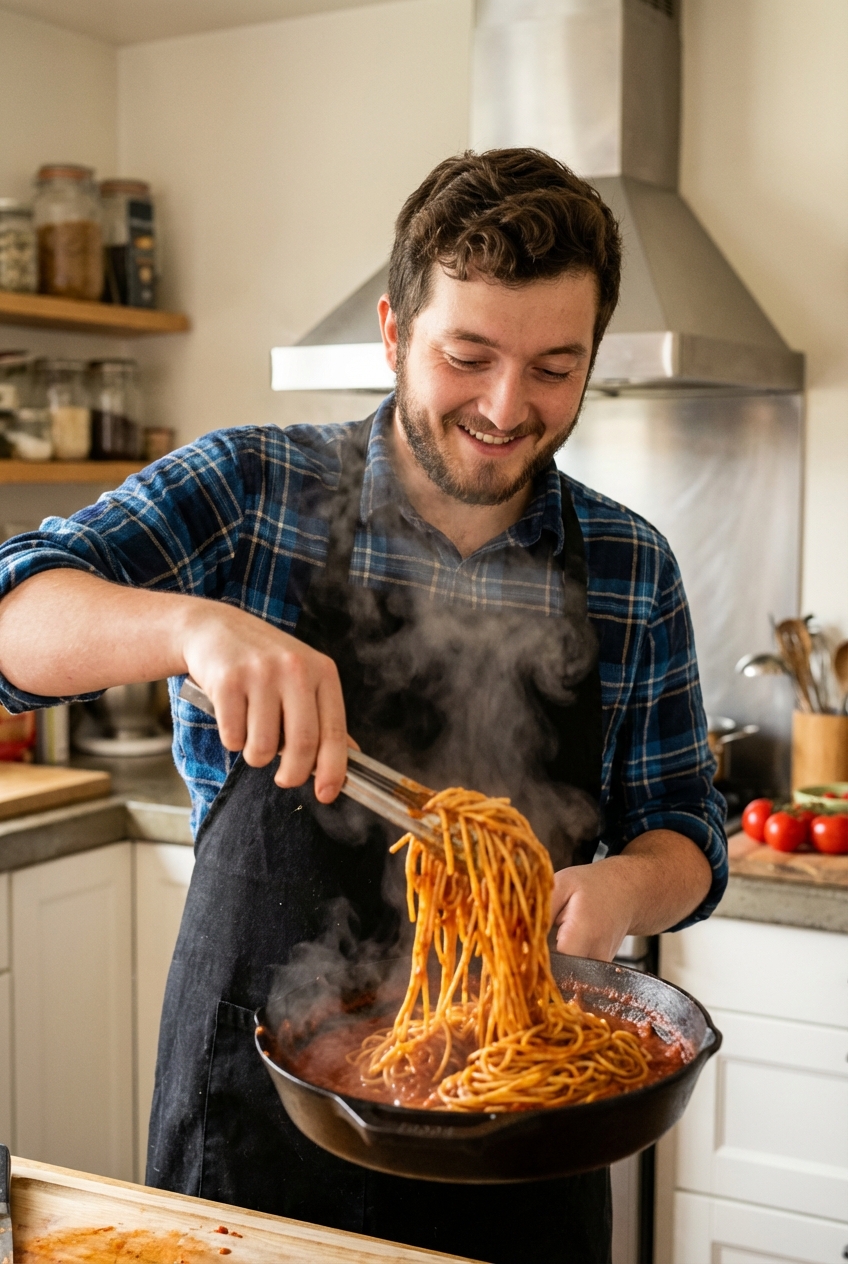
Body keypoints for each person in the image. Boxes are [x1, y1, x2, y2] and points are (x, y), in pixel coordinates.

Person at [0, 148, 726, 1263]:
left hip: (522, 1133)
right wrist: (188, 626)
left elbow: (684, 826)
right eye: (467, 354)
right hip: (255, 1114)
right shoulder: (249, 489)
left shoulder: (629, 564)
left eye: (551, 368)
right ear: (392, 332)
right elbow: (12, 619)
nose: (503, 405)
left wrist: (623, 884)